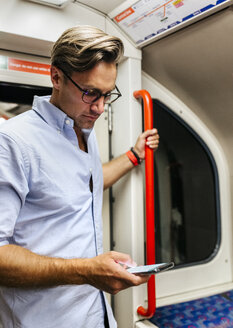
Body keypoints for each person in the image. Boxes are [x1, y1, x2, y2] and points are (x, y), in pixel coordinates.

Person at [0, 25, 159, 328]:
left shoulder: (83, 128)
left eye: (107, 94)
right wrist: (87, 270)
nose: (99, 107)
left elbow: (84, 186)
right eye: (90, 93)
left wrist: (133, 156)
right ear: (56, 77)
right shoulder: (12, 142)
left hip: (96, 315)